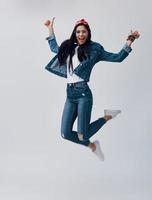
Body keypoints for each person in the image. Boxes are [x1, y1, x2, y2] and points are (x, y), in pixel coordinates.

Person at [44, 17, 140, 161]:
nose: (81, 34)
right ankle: (92, 146)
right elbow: (54, 48)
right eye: (78, 32)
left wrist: (130, 39)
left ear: (88, 33)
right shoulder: (69, 47)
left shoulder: (95, 49)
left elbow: (118, 57)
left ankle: (107, 117)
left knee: (83, 134)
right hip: (70, 94)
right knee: (65, 133)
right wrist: (50, 28)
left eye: (83, 32)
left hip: (83, 94)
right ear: (75, 33)